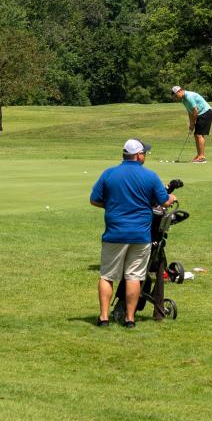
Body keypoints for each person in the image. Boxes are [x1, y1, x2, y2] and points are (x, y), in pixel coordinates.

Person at [89, 138, 177, 328]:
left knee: (107, 276)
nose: (145, 156)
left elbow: (94, 200)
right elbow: (164, 201)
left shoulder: (109, 174)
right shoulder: (150, 176)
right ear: (138, 155)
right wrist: (171, 197)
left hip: (115, 233)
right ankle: (130, 319)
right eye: (144, 153)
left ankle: (104, 317)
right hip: (140, 235)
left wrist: (112, 205)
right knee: (134, 276)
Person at [171, 85, 212, 163]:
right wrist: (191, 125)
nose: (176, 98)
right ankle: (199, 155)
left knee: (199, 134)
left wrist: (193, 123)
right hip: (200, 114)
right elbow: (190, 112)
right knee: (196, 134)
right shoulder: (184, 100)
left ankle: (202, 157)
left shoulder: (189, 97)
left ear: (180, 91)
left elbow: (195, 111)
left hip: (205, 112)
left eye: (176, 96)